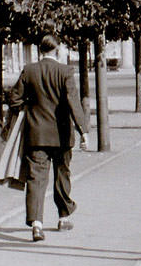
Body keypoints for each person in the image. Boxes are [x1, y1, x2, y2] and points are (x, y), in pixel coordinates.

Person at [8, 35, 89, 242]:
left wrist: (29, 109)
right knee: (62, 176)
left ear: (40, 50)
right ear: (58, 50)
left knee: (36, 179)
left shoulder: (29, 70)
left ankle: (36, 224)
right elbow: (73, 103)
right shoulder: (65, 72)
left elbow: (14, 98)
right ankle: (63, 218)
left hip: (36, 135)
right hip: (62, 136)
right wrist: (83, 131)